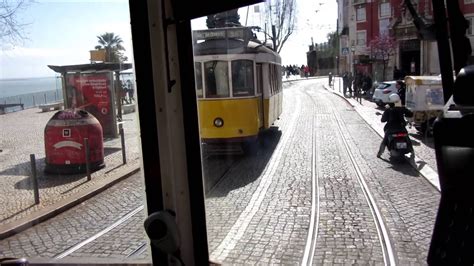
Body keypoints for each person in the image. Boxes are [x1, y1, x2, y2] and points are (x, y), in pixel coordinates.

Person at [377, 93, 415, 159]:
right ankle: (412, 151)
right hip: (401, 128)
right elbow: (410, 114)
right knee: (407, 138)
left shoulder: (388, 109)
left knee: (385, 140)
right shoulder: (401, 108)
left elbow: (383, 120)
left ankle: (380, 153)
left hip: (390, 128)